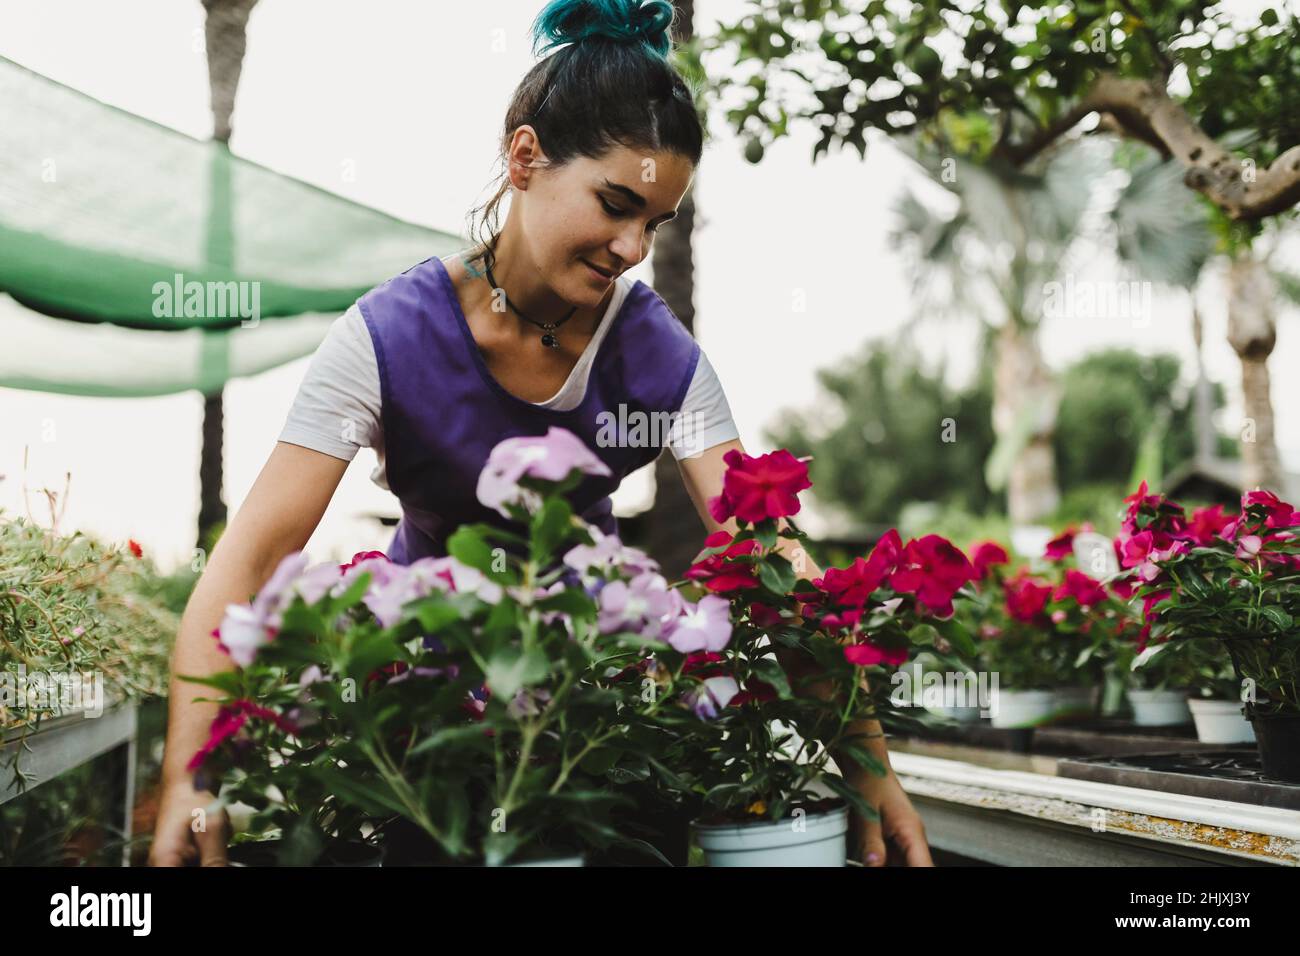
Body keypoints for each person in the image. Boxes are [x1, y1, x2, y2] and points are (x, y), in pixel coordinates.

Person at [150, 0, 931, 867]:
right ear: (525, 157)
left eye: (657, 222)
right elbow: (248, 565)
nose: (634, 247)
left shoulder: (662, 358)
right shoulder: (383, 339)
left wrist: (869, 770)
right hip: (427, 751)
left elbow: (771, 559)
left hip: (598, 744)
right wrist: (191, 778)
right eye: (616, 203)